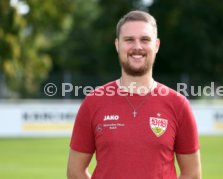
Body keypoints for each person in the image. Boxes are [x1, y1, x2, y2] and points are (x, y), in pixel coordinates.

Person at [67, 10, 201, 179]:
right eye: (129, 40)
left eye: (145, 39)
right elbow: (74, 171)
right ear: (117, 45)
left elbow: (193, 174)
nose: (137, 47)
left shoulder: (178, 104)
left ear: (156, 45)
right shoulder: (93, 102)